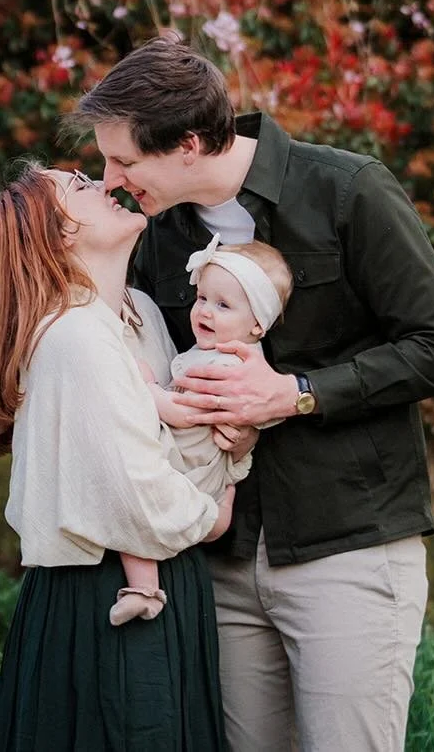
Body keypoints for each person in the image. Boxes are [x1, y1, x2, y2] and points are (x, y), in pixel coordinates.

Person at [77, 34, 434, 752]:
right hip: (219, 560)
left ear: (190, 143)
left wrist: (293, 394)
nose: (110, 179)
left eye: (125, 161)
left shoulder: (348, 190)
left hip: (347, 547)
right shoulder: (155, 235)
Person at [0, 161, 247, 752]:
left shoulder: (139, 313)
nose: (104, 182)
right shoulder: (73, 336)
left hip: (164, 582)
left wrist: (232, 446)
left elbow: (174, 448)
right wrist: (213, 514)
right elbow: (136, 493)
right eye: (78, 187)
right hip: (104, 598)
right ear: (59, 235)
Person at [114, 236, 292, 627]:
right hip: (200, 469)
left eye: (223, 305)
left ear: (258, 324)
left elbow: (195, 411)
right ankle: (218, 514)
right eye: (202, 299)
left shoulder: (229, 364)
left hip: (186, 462)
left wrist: (150, 394)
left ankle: (144, 589)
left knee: (134, 506)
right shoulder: (225, 353)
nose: (205, 312)